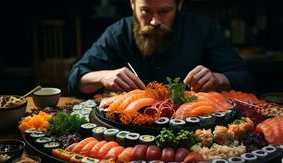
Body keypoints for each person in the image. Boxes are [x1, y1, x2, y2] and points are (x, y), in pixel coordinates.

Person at [68, 0, 254, 97]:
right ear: (132, 3)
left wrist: (218, 78)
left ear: (179, 4)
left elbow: (245, 77)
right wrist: (103, 76)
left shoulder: (204, 29)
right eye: (145, 11)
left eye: (165, 11)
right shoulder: (117, 33)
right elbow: (75, 79)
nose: (155, 21)